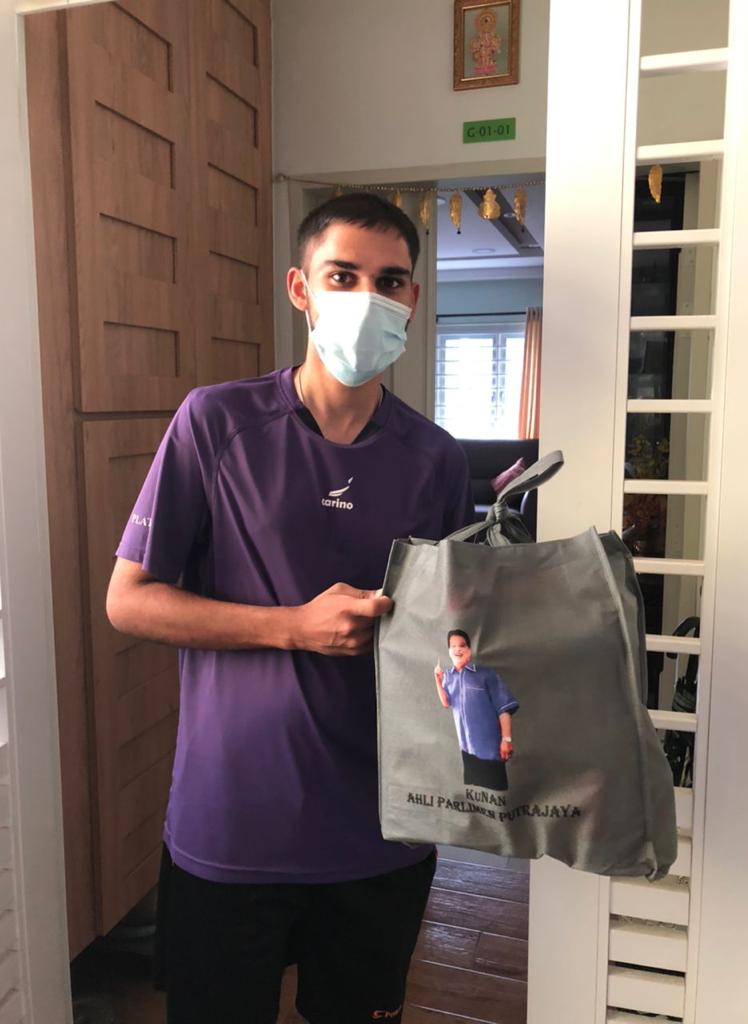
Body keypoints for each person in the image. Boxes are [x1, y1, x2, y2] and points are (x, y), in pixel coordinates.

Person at [106, 192, 475, 1024]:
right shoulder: (217, 424)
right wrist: (291, 627)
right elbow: (128, 601)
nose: (368, 298)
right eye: (343, 276)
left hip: (383, 828)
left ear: (413, 299)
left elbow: (452, 632)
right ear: (301, 288)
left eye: (390, 281)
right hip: (233, 824)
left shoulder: (436, 460)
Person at [434, 629, 520, 792]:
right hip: (467, 749)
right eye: (453, 646)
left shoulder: (486, 675)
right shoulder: (448, 677)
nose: (458, 649)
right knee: (474, 793)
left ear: (469, 649)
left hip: (490, 749)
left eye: (462, 645)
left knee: (495, 791)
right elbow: (446, 702)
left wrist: (506, 739)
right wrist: (438, 681)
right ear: (449, 650)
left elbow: (504, 708)